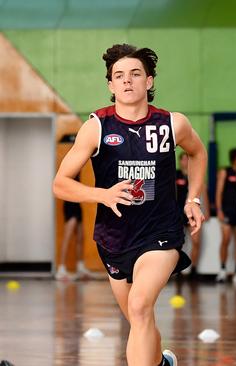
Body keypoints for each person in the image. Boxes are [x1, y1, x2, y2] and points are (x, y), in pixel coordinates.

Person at [53, 43, 207, 366]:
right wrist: (103, 195)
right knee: (141, 319)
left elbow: (198, 152)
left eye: (135, 74)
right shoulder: (97, 126)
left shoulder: (171, 124)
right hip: (114, 238)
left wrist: (193, 198)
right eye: (119, 75)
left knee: (139, 306)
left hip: (160, 233)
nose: (127, 81)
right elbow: (61, 183)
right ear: (110, 85)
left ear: (149, 81)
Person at [215, 147, 236, 284]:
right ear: (233, 159)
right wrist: (219, 210)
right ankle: (222, 270)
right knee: (226, 239)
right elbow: (219, 192)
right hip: (227, 210)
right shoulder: (225, 172)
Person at [176, 151, 208, 278]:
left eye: (187, 159)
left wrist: (207, 212)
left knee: (196, 241)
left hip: (192, 213)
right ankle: (177, 270)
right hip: (177, 213)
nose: (185, 162)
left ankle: (193, 269)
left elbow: (203, 191)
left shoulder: (196, 176)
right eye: (183, 159)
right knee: (178, 243)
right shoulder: (175, 175)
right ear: (180, 161)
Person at [55, 175, 92, 280]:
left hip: (77, 203)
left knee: (81, 237)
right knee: (67, 237)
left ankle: (80, 267)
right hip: (69, 204)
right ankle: (61, 269)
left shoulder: (78, 165)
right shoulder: (68, 167)